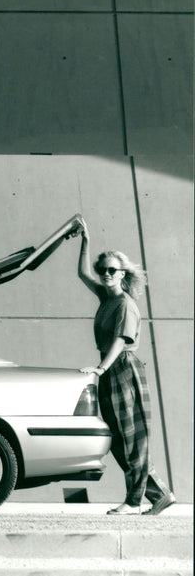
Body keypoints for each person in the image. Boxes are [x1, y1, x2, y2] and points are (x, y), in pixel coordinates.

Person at [76, 218, 175, 515]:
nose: (105, 274)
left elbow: (120, 341)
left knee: (131, 437)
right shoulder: (105, 296)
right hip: (110, 369)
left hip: (123, 369)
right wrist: (85, 240)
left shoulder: (125, 304)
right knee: (119, 439)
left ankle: (134, 501)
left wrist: (100, 369)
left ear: (122, 274)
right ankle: (160, 495)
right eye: (102, 269)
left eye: (112, 270)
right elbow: (82, 273)